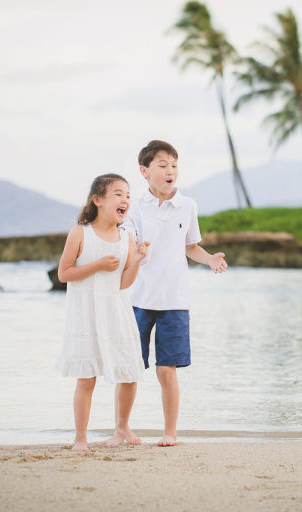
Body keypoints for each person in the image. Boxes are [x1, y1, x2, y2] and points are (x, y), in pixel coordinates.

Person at [124, 140, 227, 447]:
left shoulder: (188, 205)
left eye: (174, 165)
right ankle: (121, 429)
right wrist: (134, 253)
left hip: (175, 301)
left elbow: (190, 246)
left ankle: (170, 432)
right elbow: (127, 244)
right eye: (163, 165)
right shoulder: (135, 206)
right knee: (129, 368)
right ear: (145, 171)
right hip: (138, 298)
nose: (171, 171)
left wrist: (209, 259)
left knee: (167, 370)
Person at [55, 173, 150, 453]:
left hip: (116, 312)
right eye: (118, 194)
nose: (125, 200)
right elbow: (64, 273)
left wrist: (136, 260)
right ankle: (80, 439)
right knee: (87, 378)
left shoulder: (127, 238)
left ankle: (122, 428)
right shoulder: (80, 233)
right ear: (97, 200)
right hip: (87, 313)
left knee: (129, 372)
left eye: (128, 196)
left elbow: (124, 282)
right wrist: (96, 265)